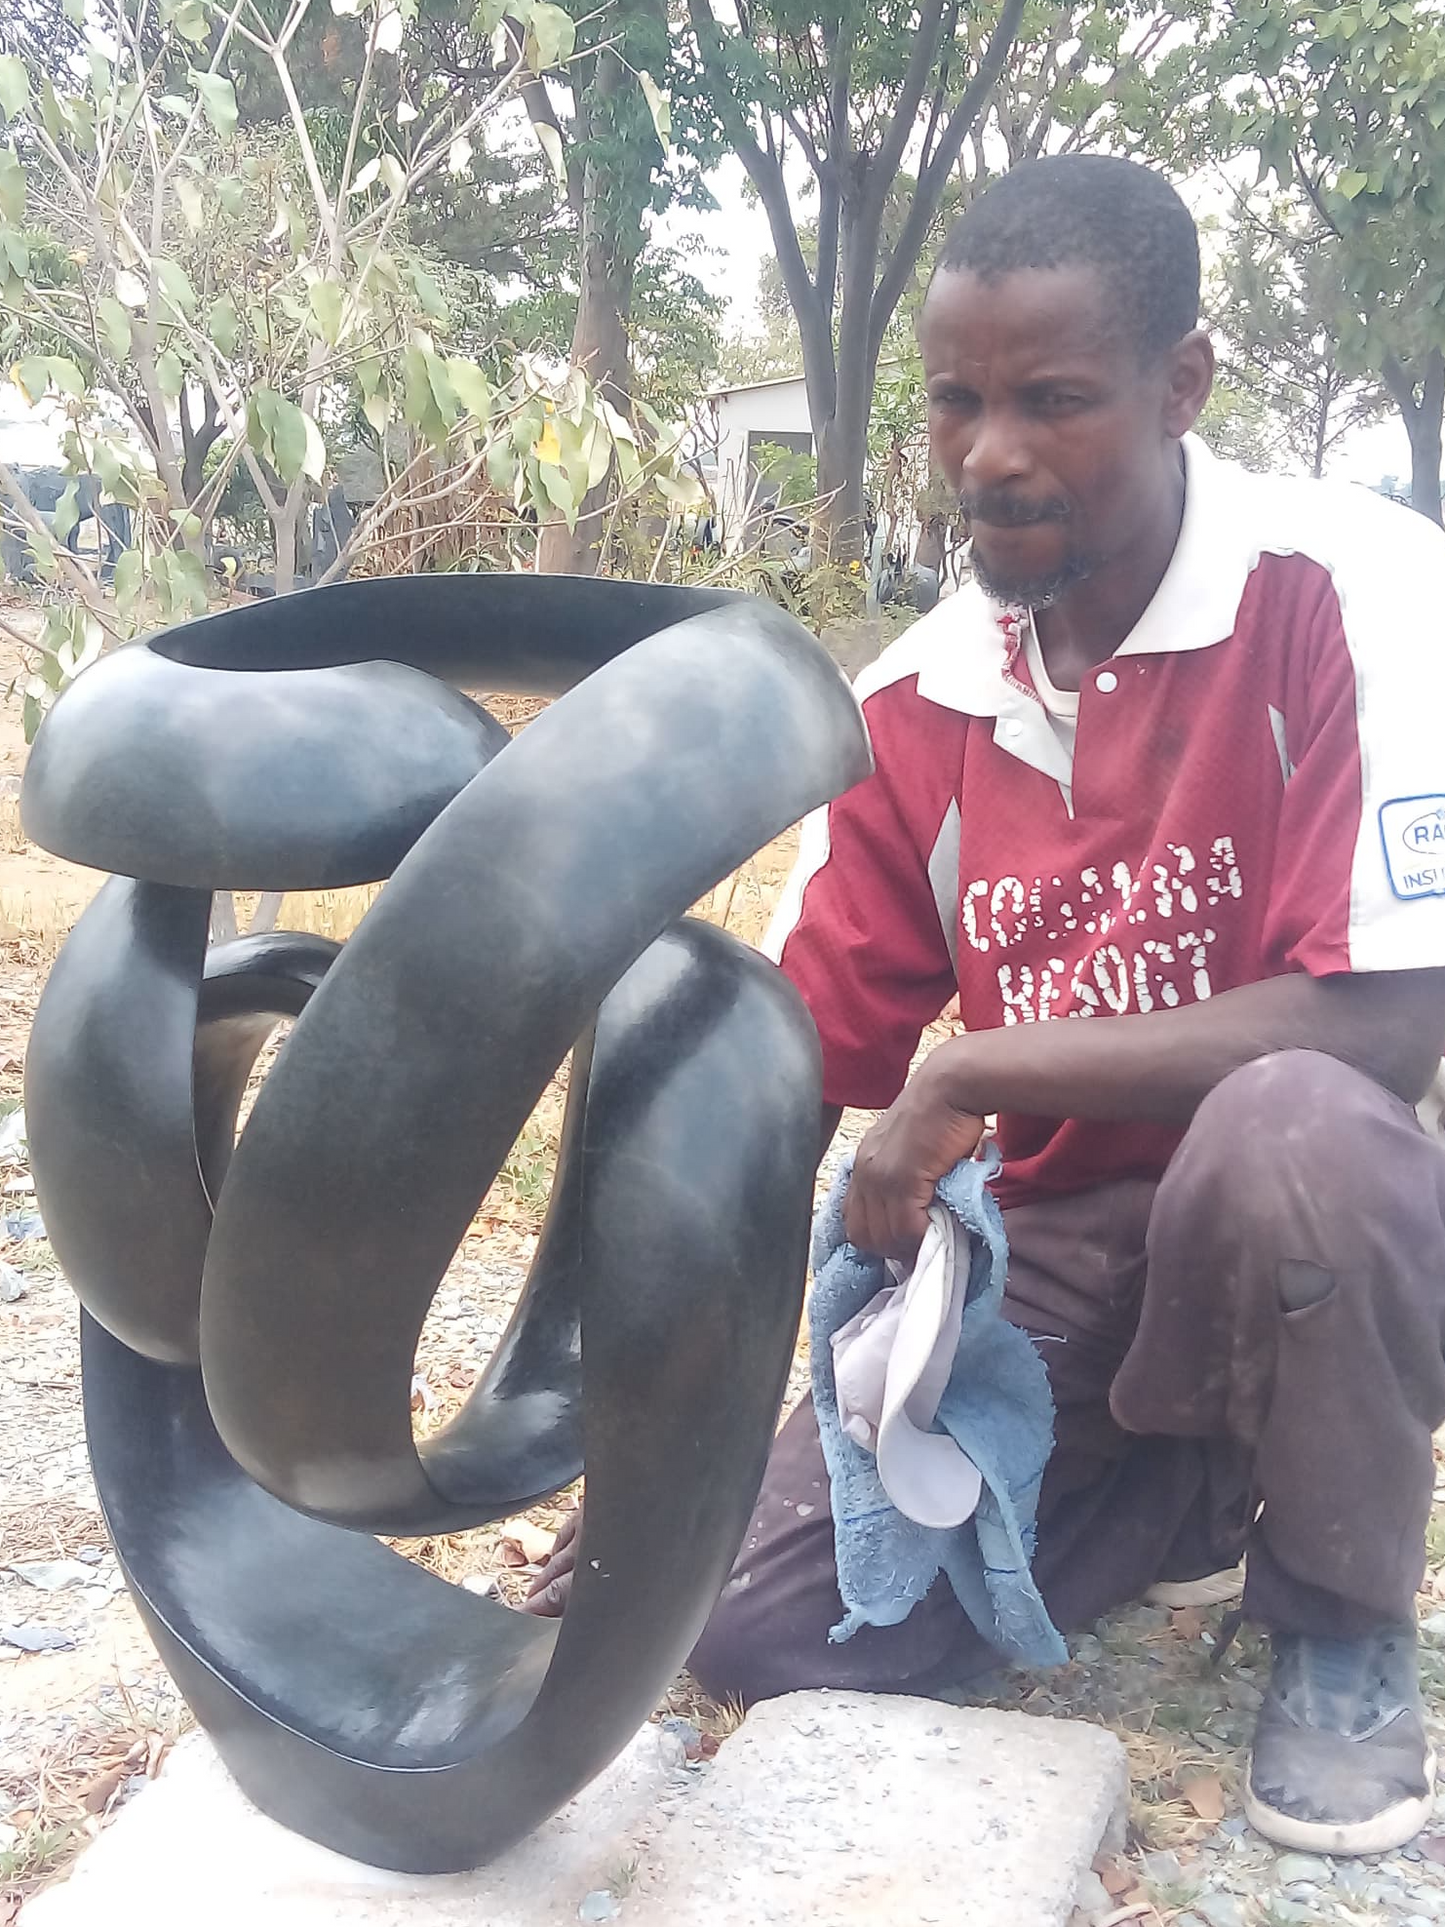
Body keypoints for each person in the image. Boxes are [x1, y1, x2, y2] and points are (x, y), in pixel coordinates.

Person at [527, 154, 1445, 1858]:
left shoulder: (1350, 592)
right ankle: (1176, 1487)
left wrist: (977, 1066)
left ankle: (1337, 1619)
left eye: (1055, 400)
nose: (992, 454)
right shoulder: (916, 699)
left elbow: (1383, 1031)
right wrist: (663, 1460)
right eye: (958, 401)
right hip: (1051, 1248)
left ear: (1182, 383)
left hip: (1300, 1205)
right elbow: (789, 1078)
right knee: (757, 1622)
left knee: (1301, 1129)